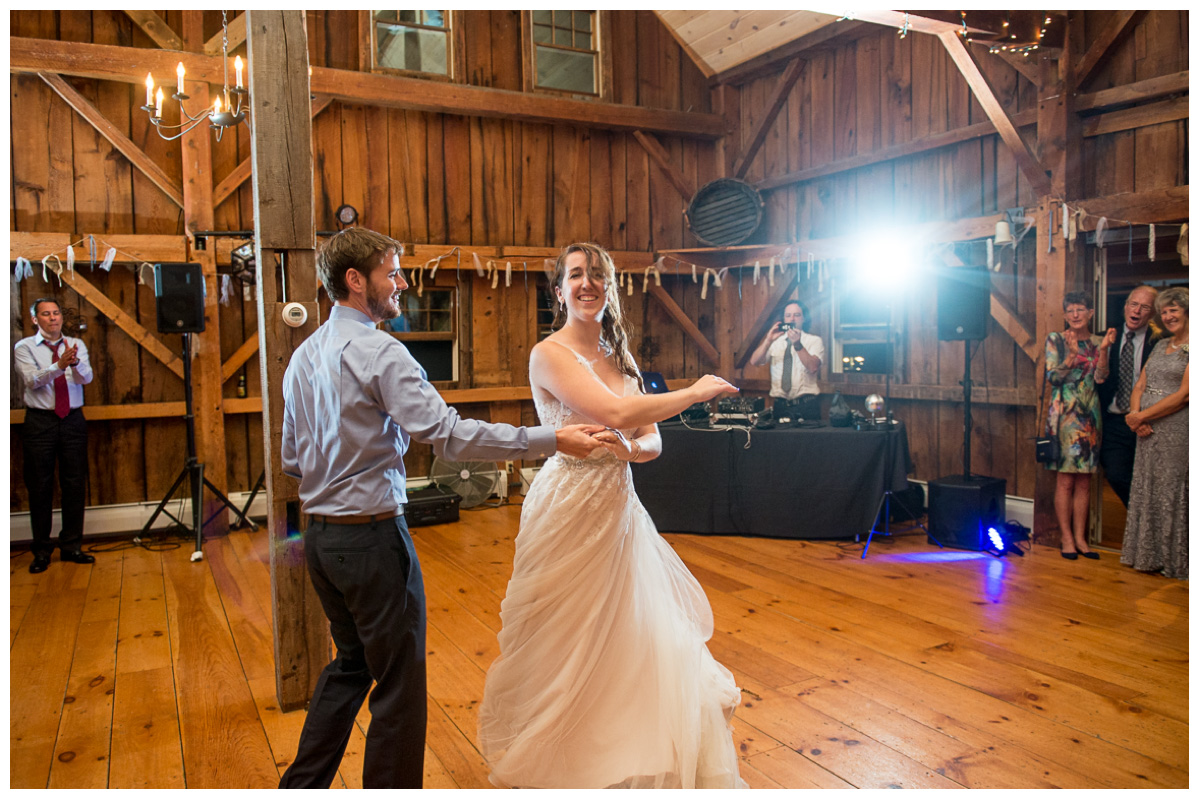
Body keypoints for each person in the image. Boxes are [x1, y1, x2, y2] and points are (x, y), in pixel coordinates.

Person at [277, 228, 604, 789]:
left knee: (351, 666)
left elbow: (291, 459)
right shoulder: (380, 351)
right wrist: (552, 439)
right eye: (392, 272)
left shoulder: (302, 356)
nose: (402, 282)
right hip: (373, 540)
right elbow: (449, 434)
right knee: (400, 688)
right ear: (356, 281)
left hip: (321, 542)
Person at [478, 242, 745, 789]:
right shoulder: (548, 354)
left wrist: (635, 452)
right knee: (568, 636)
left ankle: (629, 750)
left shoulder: (619, 356)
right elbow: (619, 412)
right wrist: (693, 392)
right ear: (559, 291)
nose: (587, 283)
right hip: (568, 506)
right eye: (576, 275)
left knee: (632, 631)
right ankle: (567, 760)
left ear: (609, 288)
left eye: (597, 275)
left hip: (619, 508)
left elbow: (650, 439)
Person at [13, 298, 96, 574]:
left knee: (74, 483)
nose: (53, 318)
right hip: (41, 421)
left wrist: (74, 365)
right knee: (40, 485)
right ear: (36, 319)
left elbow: (86, 379)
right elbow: (32, 380)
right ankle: (41, 550)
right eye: (46, 314)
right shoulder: (24, 347)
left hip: (72, 419)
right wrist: (58, 365)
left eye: (56, 313)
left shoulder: (76, 344)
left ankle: (71, 546)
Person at [1121, 287, 1189, 580]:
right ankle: (1146, 555)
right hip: (1146, 431)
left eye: (1174, 310)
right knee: (1146, 487)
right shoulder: (1161, 345)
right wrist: (1136, 417)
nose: (1168, 316)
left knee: (1171, 491)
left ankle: (1175, 560)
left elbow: (1185, 395)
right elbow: (1139, 385)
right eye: (1164, 311)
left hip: (1176, 429)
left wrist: (1140, 417)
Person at [1042, 291, 1115, 560]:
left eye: (1081, 310)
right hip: (1065, 416)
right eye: (1070, 310)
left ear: (1090, 313)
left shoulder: (1098, 341)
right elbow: (1054, 378)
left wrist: (1104, 349)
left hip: (1090, 415)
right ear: (1064, 314)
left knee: (1085, 481)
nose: (1075, 315)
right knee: (1065, 480)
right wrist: (1071, 355)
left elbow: (1101, 377)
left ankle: (1082, 539)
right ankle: (1066, 538)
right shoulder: (1056, 339)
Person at [1098, 285, 1160, 506]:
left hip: (1149, 422)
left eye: (1144, 307)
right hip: (1115, 421)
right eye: (1134, 304)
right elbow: (1098, 380)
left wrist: (1145, 416)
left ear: (1152, 314)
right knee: (1116, 475)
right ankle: (1141, 520)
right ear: (1126, 307)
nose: (1137, 311)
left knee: (1152, 481)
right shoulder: (1106, 337)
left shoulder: (1160, 343)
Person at [749, 300, 824, 421]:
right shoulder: (775, 342)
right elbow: (754, 361)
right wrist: (768, 340)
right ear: (784, 319)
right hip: (780, 406)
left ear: (804, 318)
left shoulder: (814, 341)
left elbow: (813, 367)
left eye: (797, 315)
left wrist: (797, 344)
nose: (792, 319)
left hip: (807, 406)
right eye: (788, 315)